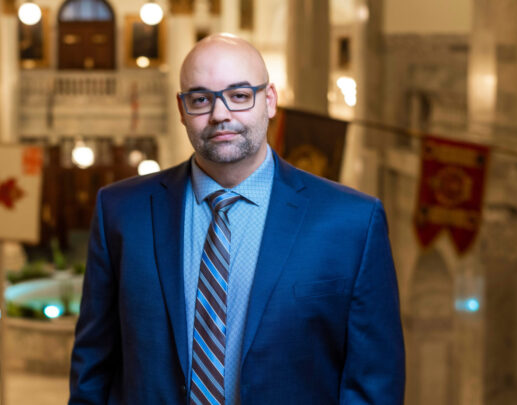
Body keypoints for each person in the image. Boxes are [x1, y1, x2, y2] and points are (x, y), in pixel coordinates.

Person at [70, 34, 404, 404]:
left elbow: (374, 384)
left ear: (270, 101)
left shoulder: (352, 222)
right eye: (200, 100)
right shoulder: (120, 211)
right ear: (182, 111)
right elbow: (92, 370)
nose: (220, 115)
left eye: (240, 95)